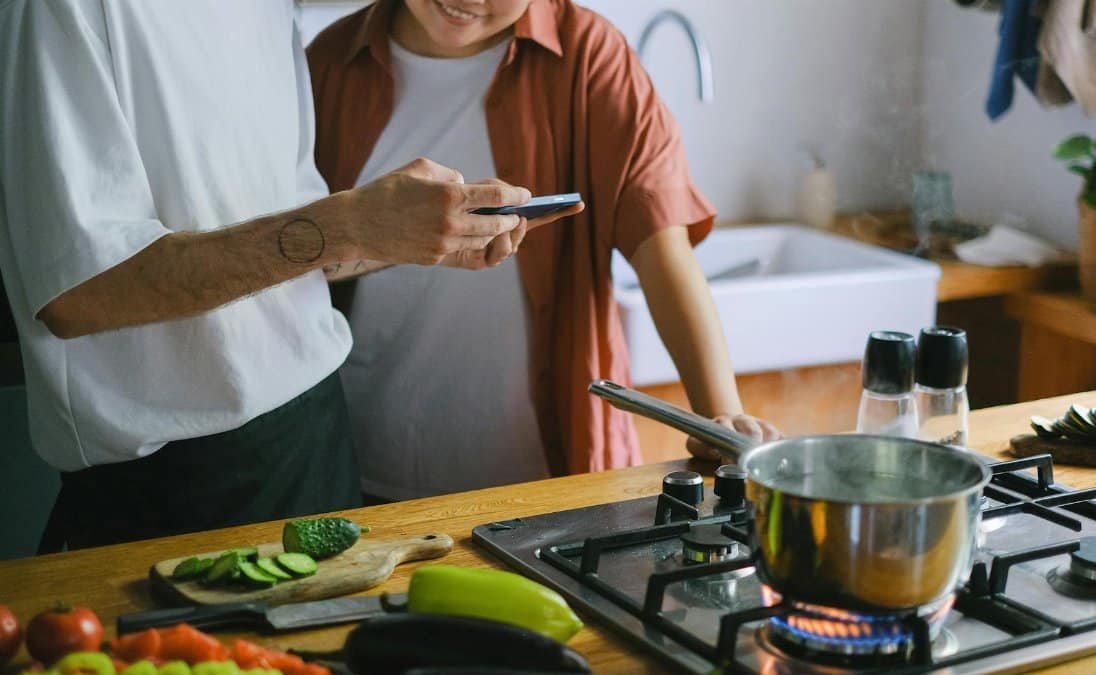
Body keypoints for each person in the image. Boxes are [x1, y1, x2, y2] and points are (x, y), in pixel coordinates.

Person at [0, 0, 571, 549]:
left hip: (316, 434)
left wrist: (402, 237)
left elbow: (293, 248)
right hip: (169, 481)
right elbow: (79, 293)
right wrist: (350, 224)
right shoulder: (58, 8)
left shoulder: (272, 6)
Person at [307, 0, 781, 501]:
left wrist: (720, 416)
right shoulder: (327, 64)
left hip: (551, 481)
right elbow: (293, 259)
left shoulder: (590, 57)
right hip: (360, 468)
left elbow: (662, 249)